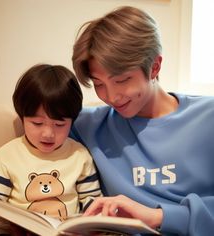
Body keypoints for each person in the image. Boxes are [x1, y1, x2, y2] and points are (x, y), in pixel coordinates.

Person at [70, 6, 214, 236]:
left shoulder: (208, 117)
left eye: (122, 80)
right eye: (99, 84)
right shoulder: (88, 126)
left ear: (155, 66)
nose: (111, 96)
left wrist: (157, 216)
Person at [0, 64, 101, 224]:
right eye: (37, 123)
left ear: (73, 120)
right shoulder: (5, 157)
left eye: (59, 125)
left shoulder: (79, 155)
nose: (48, 134)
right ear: (22, 117)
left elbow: (92, 202)